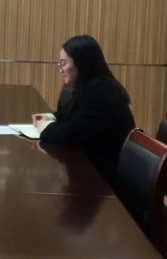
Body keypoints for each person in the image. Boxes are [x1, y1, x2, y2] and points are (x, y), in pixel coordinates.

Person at [32, 35, 135, 185]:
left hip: (107, 181)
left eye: (63, 63)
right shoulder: (91, 86)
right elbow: (74, 116)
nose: (60, 70)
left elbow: (74, 135)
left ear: (81, 63)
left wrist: (45, 128)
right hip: (98, 168)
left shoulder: (100, 92)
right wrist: (51, 117)